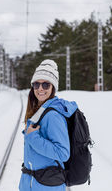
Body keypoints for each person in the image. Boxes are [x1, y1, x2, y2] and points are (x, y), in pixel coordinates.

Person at [19, 59, 78, 191]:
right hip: (34, 183)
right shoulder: (40, 111)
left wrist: (33, 137)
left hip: (46, 186)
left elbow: (63, 153)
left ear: (53, 88)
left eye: (46, 85)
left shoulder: (53, 116)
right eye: (36, 84)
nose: (40, 89)